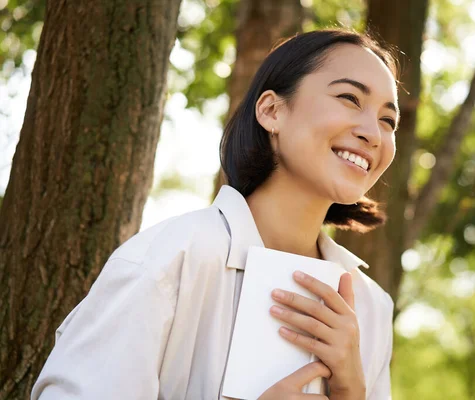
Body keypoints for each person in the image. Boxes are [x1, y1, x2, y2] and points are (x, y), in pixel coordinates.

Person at [31, 27, 400, 399]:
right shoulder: (168, 262)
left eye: (388, 120)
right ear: (272, 110)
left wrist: (352, 391)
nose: (373, 133)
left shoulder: (370, 307)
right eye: (349, 98)